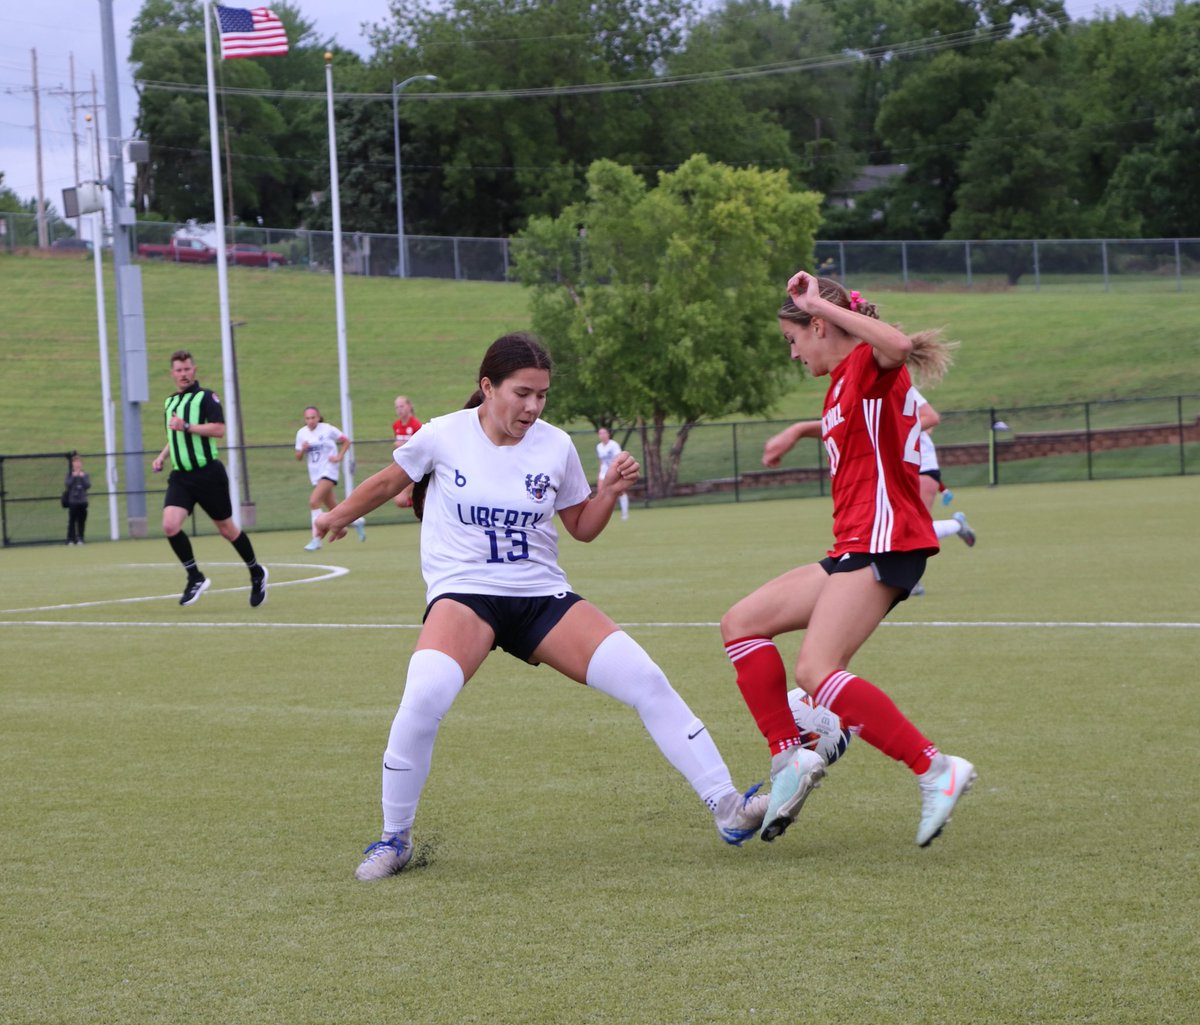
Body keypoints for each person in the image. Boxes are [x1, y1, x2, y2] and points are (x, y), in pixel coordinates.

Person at [314, 331, 768, 881]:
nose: (533, 407)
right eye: (522, 393)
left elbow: (581, 528)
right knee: (424, 696)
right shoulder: (442, 434)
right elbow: (389, 480)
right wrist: (335, 516)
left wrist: (609, 491)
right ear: (487, 387)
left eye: (542, 395)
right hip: (465, 593)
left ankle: (727, 807)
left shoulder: (555, 445)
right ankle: (394, 840)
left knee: (646, 679)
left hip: (541, 597)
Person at [720, 272, 976, 848]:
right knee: (741, 625)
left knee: (815, 670)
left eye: (794, 338)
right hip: (851, 547)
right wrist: (797, 431)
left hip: (885, 542)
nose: (792, 352)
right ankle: (791, 756)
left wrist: (815, 301)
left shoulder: (865, 361)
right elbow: (849, 418)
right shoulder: (839, 384)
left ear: (818, 325)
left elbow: (898, 347)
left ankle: (936, 769)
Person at [151, 350, 268, 608]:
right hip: (181, 476)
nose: (183, 374)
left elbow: (219, 429)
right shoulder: (170, 402)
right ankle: (195, 576)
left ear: (194, 371)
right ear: (172, 374)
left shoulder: (206, 397)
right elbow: (175, 436)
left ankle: (256, 572)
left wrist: (187, 426)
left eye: (187, 369)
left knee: (227, 530)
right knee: (170, 525)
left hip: (208, 475)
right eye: (178, 370)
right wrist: (162, 456)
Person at [909, 390, 975, 595]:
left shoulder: (903, 391)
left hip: (923, 469)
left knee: (916, 529)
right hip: (902, 470)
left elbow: (930, 419)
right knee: (904, 527)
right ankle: (957, 525)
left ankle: (913, 582)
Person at [294, 406, 365, 551]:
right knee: (335, 509)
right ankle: (354, 523)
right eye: (307, 418)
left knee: (314, 502)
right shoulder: (301, 433)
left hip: (329, 472)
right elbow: (298, 457)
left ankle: (316, 539)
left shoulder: (327, 429)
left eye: (313, 417)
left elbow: (346, 441)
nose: (311, 421)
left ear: (318, 417)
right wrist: (302, 449)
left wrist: (339, 457)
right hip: (315, 475)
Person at [391, 395, 423, 508]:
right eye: (397, 407)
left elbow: (421, 446)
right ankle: (424, 504)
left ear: (409, 406)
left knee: (400, 500)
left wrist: (404, 445)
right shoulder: (396, 425)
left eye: (402, 406)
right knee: (400, 501)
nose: (399, 409)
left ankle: (425, 505)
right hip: (402, 466)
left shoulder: (416, 425)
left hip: (415, 466)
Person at [596, 426, 630, 520]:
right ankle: (603, 515)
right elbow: (601, 461)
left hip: (613, 472)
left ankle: (625, 513)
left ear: (608, 434)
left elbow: (619, 459)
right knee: (600, 492)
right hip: (603, 472)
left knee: (620, 492)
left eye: (604, 433)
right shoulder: (599, 446)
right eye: (600, 433)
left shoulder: (614, 445)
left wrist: (619, 472)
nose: (602, 435)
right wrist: (599, 473)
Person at [64, 455, 91, 545]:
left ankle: (81, 538)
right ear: (73, 464)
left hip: (82, 501)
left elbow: (88, 485)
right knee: (72, 520)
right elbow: (67, 484)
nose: (77, 465)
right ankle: (70, 539)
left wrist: (82, 477)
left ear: (81, 464)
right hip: (73, 502)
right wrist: (74, 477)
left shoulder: (85, 475)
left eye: (79, 463)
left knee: (81, 521)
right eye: (75, 463)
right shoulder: (69, 475)